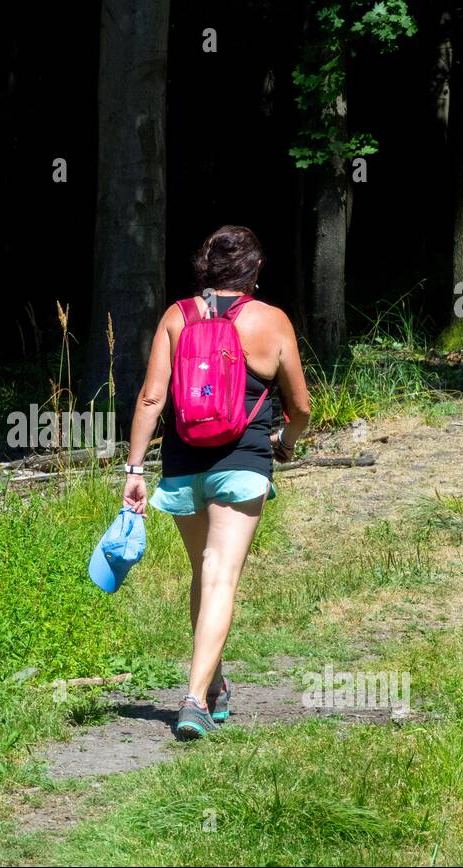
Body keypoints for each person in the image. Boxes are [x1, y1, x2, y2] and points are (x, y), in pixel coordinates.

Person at [122, 225, 311, 739]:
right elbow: (301, 407)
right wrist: (286, 442)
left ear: (205, 268)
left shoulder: (177, 316)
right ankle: (193, 699)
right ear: (254, 270)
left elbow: (150, 399)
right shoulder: (271, 322)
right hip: (244, 462)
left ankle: (214, 684)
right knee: (219, 577)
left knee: (202, 575)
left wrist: (135, 470)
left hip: (183, 464)